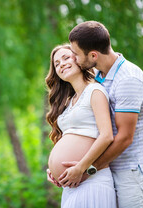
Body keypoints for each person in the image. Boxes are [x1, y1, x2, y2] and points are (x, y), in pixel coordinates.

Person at [60, 21, 143, 208]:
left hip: (131, 172)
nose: (73, 58)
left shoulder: (128, 79)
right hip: (108, 169)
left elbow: (124, 138)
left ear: (93, 55)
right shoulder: (100, 76)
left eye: (76, 54)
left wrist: (87, 169)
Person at [45, 44, 116, 208]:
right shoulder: (69, 102)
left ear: (78, 59)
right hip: (71, 185)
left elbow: (107, 136)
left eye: (66, 58)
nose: (61, 64)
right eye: (56, 64)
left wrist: (81, 168)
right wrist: (56, 171)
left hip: (91, 180)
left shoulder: (95, 91)